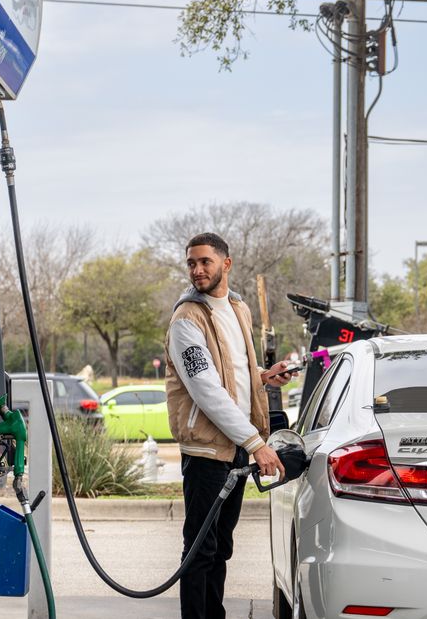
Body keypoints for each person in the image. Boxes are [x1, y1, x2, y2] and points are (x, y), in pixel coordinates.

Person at [164, 232, 296, 619]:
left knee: (221, 546)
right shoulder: (186, 319)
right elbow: (205, 387)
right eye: (191, 262)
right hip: (207, 449)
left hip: (236, 445)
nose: (197, 269)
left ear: (226, 263)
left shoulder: (238, 307)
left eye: (204, 261)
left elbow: (230, 371)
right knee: (200, 549)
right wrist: (257, 443)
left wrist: (262, 375)